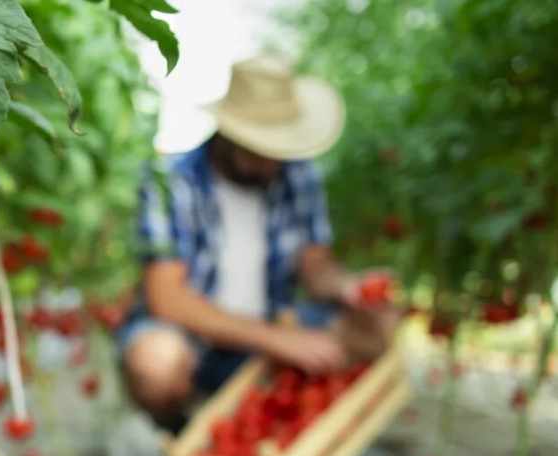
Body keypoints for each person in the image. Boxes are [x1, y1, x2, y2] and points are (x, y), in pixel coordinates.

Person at [118, 56, 398, 433]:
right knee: (156, 363)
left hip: (271, 331)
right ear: (229, 134)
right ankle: (182, 428)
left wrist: (346, 286)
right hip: (197, 342)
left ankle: (290, 420)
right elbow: (167, 297)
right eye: (259, 148)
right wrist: (278, 339)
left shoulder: (298, 176)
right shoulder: (171, 182)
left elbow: (315, 266)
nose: (271, 161)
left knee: (381, 322)